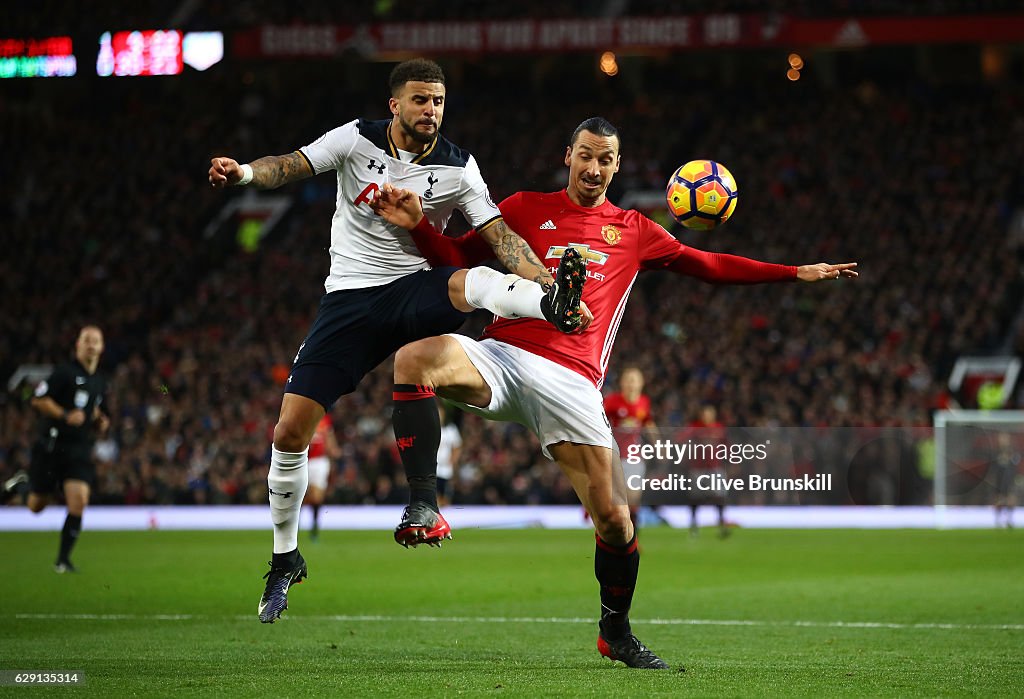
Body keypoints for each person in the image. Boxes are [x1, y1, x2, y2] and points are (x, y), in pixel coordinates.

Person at [370, 116, 858, 669]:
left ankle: (615, 631)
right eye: (586, 156)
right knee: (414, 358)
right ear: (568, 156)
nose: (594, 168)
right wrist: (417, 226)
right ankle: (423, 503)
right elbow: (456, 259)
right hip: (502, 355)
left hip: (572, 381)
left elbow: (711, 266)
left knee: (616, 521)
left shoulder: (635, 230)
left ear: (617, 165)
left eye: (606, 160)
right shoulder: (525, 207)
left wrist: (796, 273)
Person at [207, 58, 590, 624]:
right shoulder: (354, 140)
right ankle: (285, 558)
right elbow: (288, 166)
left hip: (411, 290)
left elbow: (498, 236)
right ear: (395, 105)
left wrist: (549, 286)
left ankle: (548, 308)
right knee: (289, 431)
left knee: (471, 283)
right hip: (349, 300)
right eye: (419, 100)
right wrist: (242, 174)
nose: (430, 111)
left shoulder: (459, 167)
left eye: (437, 101)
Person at [4, 326, 109, 573]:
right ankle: (21, 484)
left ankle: (63, 560)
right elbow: (37, 399)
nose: (91, 345)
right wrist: (63, 414)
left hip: (79, 449)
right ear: (78, 346)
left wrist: (99, 420)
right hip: (52, 446)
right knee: (36, 506)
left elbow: (91, 408)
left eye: (96, 341)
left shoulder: (99, 381)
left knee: (79, 501)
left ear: (102, 347)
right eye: (87, 341)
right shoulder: (64, 373)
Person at [603, 366, 659, 533]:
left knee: (633, 497)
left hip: (634, 457)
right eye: (628, 379)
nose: (631, 383)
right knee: (616, 500)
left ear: (641, 383)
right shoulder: (612, 402)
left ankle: (634, 535)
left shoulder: (644, 402)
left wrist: (659, 444)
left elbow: (648, 423)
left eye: (634, 380)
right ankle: (617, 533)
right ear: (622, 383)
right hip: (613, 456)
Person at [681, 404, 730, 538]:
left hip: (715, 467)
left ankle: (721, 524)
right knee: (695, 497)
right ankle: (694, 524)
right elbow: (681, 439)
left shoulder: (719, 428)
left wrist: (730, 461)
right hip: (698, 468)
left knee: (719, 496)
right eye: (704, 413)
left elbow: (727, 446)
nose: (707, 416)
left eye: (709, 413)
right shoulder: (694, 427)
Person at [305, 414, 341, 541]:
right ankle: (294, 527)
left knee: (316, 498)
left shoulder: (325, 419)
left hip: (319, 461)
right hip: (303, 460)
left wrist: (334, 450)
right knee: (300, 495)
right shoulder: (304, 416)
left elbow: (329, 438)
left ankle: (314, 528)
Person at [435, 402, 462, 508]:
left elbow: (457, 447)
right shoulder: (429, 429)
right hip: (433, 468)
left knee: (445, 494)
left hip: (446, 469)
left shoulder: (451, 429)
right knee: (434, 494)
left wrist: (452, 462)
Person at [992, 432, 1021, 529]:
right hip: (999, 480)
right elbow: (993, 466)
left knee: (1011, 500)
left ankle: (1009, 520)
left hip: (1010, 479)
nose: (1003, 440)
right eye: (1002, 438)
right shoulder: (995, 452)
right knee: (999, 500)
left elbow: (1016, 462)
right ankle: (998, 521)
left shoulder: (1013, 451)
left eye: (1005, 438)